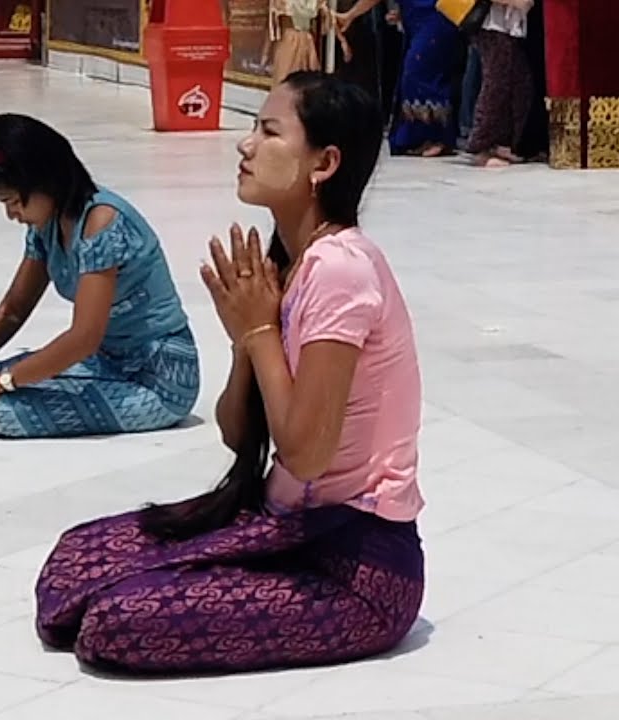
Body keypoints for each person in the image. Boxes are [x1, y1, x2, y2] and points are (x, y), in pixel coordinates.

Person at [33, 72, 426, 675]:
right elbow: (237, 433)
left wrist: (261, 332)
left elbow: (309, 454)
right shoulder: (291, 261)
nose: (245, 145)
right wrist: (249, 339)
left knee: (117, 622)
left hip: (356, 568)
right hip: (288, 523)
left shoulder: (341, 271)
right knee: (75, 559)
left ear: (323, 163)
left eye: (268, 131)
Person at [0, 113, 201, 440]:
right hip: (104, 365)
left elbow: (84, 337)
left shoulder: (102, 223)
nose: (11, 213)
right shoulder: (46, 226)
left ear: (44, 181)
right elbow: (14, 308)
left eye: (13, 201)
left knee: (3, 413)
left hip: (157, 378)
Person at [339, 0, 462, 156]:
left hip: (437, 18)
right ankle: (421, 138)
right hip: (415, 20)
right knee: (418, 74)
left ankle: (436, 137)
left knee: (418, 74)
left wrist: (350, 14)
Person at [466, 0, 535, 166]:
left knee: (518, 83)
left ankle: (501, 142)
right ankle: (482, 145)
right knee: (496, 83)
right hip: (491, 23)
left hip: (505, 23)